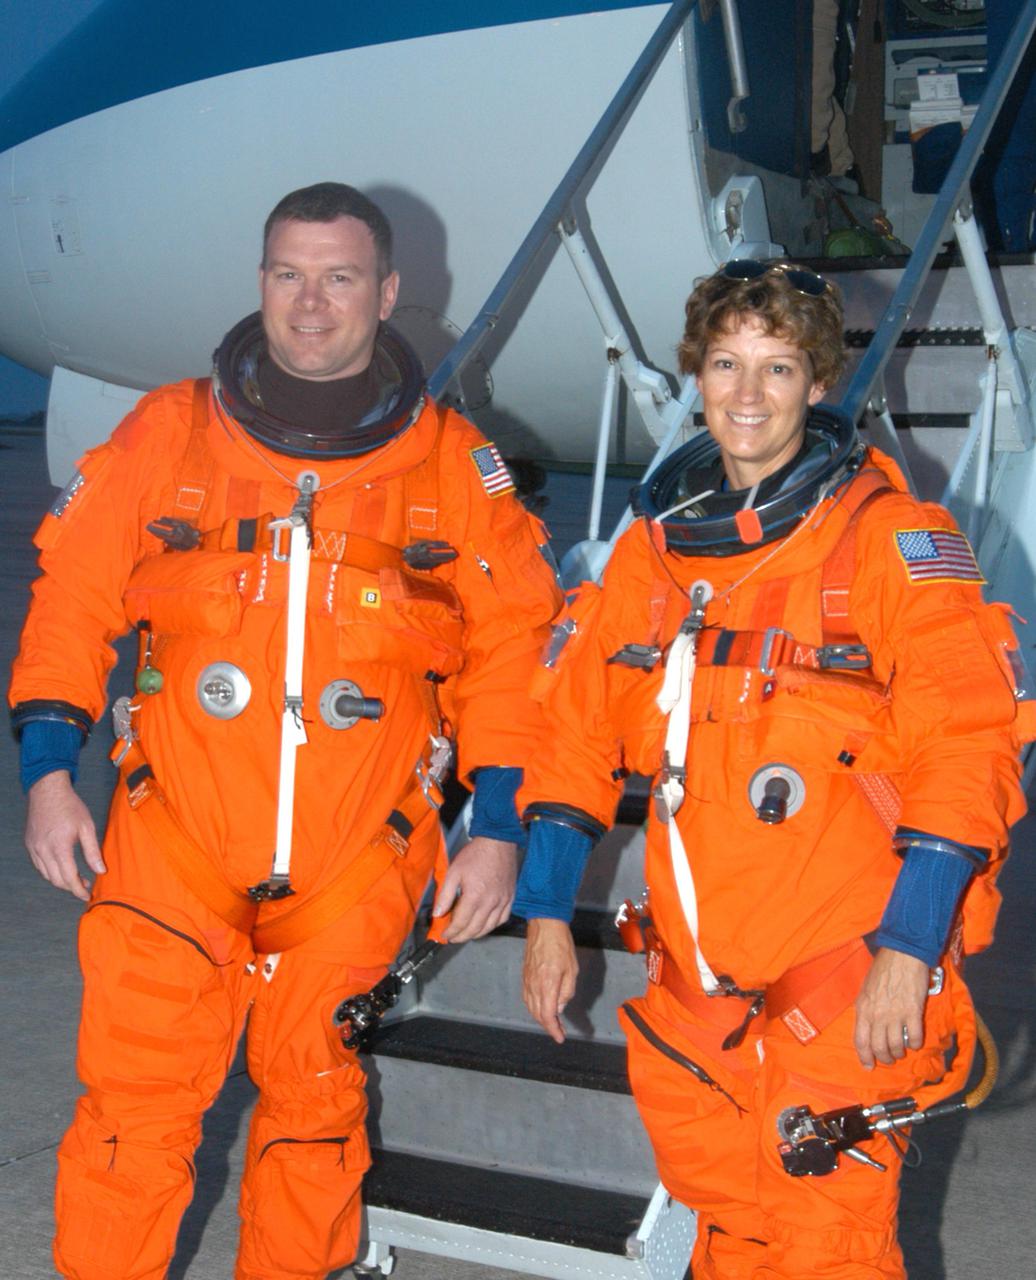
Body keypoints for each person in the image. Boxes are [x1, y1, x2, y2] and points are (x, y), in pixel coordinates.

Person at [10, 181, 562, 1280]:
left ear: (388, 292)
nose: (311, 304)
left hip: (354, 861)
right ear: (259, 281)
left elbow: (513, 651)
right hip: (171, 844)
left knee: (312, 1125)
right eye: (288, 274)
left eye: (340, 276)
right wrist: (46, 771)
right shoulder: (169, 434)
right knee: (132, 1122)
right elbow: (71, 598)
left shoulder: (450, 467)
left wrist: (498, 820)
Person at [513, 260, 1033, 1278]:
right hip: (695, 997)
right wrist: (542, 913)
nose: (747, 395)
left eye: (778, 367)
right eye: (725, 363)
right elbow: (571, 730)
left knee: (825, 1247)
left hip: (842, 984)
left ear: (818, 381)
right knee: (728, 1233)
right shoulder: (652, 558)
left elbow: (965, 746)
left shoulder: (888, 542)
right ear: (695, 375)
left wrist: (907, 948)